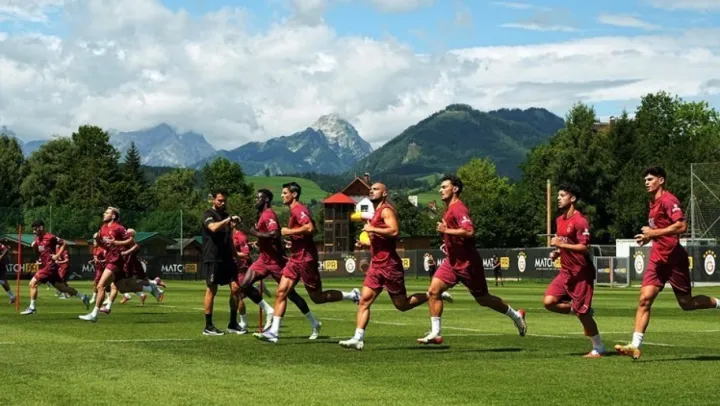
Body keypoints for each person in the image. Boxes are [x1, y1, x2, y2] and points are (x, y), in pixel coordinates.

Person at [615, 166, 720, 359]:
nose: (646, 183)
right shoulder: (653, 203)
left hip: (674, 259)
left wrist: (653, 233)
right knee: (644, 299)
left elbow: (681, 225)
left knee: (686, 303)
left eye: (650, 179)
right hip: (657, 259)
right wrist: (648, 238)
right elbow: (660, 230)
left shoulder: (668, 200)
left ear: (661, 180)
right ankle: (634, 346)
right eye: (645, 180)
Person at [417, 175, 527, 345]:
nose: (440, 190)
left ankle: (516, 315)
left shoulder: (458, 208)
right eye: (440, 187)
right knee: (434, 291)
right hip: (452, 262)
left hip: (468, 263)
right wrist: (447, 242)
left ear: (455, 189)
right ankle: (435, 333)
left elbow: (469, 231)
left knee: (483, 299)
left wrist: (446, 231)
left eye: (444, 187)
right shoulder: (449, 209)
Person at [339, 183, 442, 350]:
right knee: (364, 301)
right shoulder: (376, 213)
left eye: (376, 189)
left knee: (402, 305)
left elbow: (394, 231)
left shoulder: (386, 210)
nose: (371, 191)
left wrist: (371, 228)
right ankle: (358, 338)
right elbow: (381, 241)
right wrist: (366, 245)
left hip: (390, 266)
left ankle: (432, 295)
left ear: (384, 193)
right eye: (371, 189)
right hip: (376, 266)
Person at [255, 183, 360, 343]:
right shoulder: (294, 210)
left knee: (317, 297)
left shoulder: (299, 209)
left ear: (294, 194)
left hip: (306, 259)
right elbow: (308, 230)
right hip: (295, 258)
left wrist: (289, 231)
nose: (282, 196)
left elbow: (310, 228)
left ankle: (352, 295)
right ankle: (274, 333)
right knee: (281, 292)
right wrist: (293, 241)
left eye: (285, 193)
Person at [544, 183, 605, 358]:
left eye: (562, 195)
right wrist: (557, 252)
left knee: (583, 315)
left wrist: (561, 245)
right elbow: (565, 243)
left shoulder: (580, 221)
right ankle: (579, 309)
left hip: (581, 273)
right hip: (566, 272)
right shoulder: (559, 220)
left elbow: (585, 247)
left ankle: (598, 348)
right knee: (549, 302)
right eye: (558, 195)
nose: (558, 198)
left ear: (572, 199)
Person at [200, 190, 273, 336]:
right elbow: (213, 227)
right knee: (212, 289)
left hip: (228, 258)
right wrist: (228, 220)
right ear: (213, 200)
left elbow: (229, 241)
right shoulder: (208, 214)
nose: (223, 203)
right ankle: (208, 326)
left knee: (235, 288)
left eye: (224, 201)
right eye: (220, 200)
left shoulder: (226, 216)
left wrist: (237, 257)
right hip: (213, 257)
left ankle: (233, 323)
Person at [21, 220, 89, 315]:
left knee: (32, 283)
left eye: (35, 229)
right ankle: (83, 297)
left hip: (49, 266)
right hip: (45, 266)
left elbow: (64, 243)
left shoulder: (50, 237)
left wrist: (57, 255)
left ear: (41, 227)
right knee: (62, 288)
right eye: (33, 229)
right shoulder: (37, 238)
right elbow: (39, 252)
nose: (34, 231)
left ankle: (32, 307)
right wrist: (36, 252)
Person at [79, 207, 135, 322]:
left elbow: (131, 241)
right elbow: (105, 246)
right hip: (110, 259)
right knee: (123, 288)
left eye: (107, 213)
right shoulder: (103, 228)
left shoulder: (119, 228)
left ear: (113, 216)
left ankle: (94, 315)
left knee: (100, 286)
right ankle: (150, 286)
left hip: (116, 260)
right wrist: (98, 239)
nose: (104, 214)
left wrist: (117, 242)